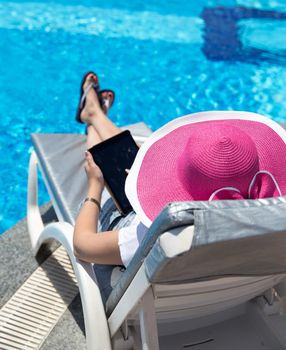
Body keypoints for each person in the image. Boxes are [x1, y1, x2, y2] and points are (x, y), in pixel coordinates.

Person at [73, 72, 286, 268]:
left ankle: (92, 118)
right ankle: (95, 116)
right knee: (133, 157)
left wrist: (94, 187)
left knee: (105, 169)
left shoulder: (157, 234)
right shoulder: (274, 220)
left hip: (143, 248)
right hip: (232, 295)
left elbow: (83, 246)